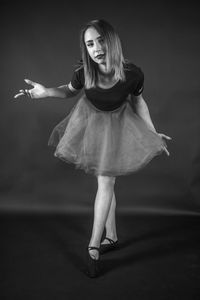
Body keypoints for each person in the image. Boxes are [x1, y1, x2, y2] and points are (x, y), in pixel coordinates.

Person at [14, 19, 171, 278]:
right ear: (85, 48)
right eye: (90, 43)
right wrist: (43, 93)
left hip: (119, 125)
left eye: (100, 41)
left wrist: (152, 132)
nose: (96, 48)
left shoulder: (132, 73)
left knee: (106, 182)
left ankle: (94, 245)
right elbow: (68, 92)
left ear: (112, 41)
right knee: (107, 181)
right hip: (91, 124)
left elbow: (139, 102)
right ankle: (112, 237)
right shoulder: (83, 72)